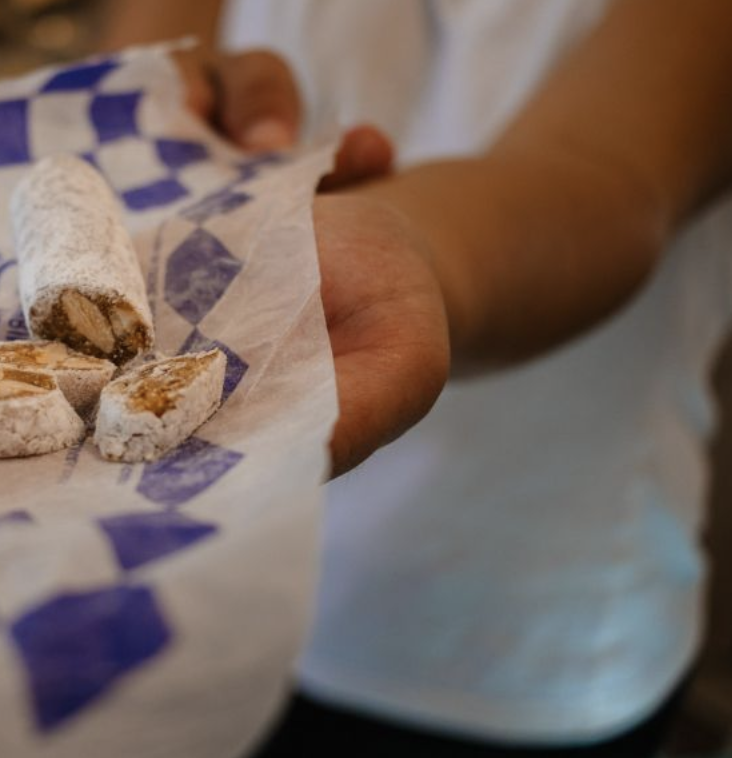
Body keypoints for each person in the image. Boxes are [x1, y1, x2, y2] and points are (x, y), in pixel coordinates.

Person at [103, 0, 732, 755]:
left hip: (485, 631)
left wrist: (405, 255)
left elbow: (608, 176)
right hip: (168, 583)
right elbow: (165, 36)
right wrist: (161, 102)